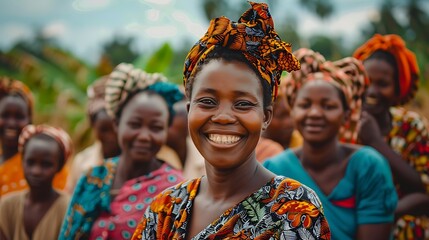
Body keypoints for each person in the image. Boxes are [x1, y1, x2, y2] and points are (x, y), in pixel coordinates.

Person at [132, 2, 330, 239]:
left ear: (266, 117)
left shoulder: (294, 210)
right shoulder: (164, 210)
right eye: (207, 101)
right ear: (188, 110)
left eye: (243, 104)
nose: (223, 117)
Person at [263, 48, 398, 239]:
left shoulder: (368, 167)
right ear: (293, 111)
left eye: (328, 106)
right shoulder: (274, 170)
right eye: (305, 105)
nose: (315, 113)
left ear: (346, 115)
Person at [59, 63, 185, 240]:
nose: (144, 136)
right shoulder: (92, 178)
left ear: (166, 131)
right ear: (117, 124)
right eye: (135, 124)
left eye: (156, 127)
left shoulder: (176, 192)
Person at [353, 34, 429, 240]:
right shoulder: (344, 126)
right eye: (367, 81)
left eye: (383, 84)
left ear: (398, 88)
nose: (372, 91)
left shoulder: (412, 126)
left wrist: (376, 142)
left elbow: (422, 187)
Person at [0, 124, 72, 240]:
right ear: (22, 161)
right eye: (30, 162)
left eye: (46, 164)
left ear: (59, 167)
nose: (36, 171)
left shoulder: (69, 209)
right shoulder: (6, 206)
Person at [0, 77, 68, 197]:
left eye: (19, 116)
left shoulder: (46, 162)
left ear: (30, 119)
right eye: (4, 115)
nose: (11, 123)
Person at [65, 76, 121, 193]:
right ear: (93, 125)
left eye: (116, 129)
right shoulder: (82, 162)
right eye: (104, 130)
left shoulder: (137, 164)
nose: (111, 137)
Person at [256, 78, 303, 162]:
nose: (289, 122)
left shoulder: (300, 141)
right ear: (265, 116)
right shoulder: (259, 150)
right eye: (281, 116)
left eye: (291, 114)